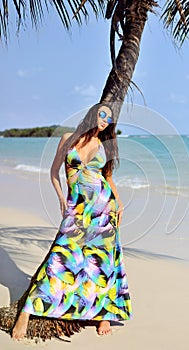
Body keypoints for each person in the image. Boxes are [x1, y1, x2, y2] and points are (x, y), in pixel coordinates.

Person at [12, 103, 132, 340]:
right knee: (60, 256)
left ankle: (102, 314)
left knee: (103, 262)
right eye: (102, 114)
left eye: (109, 118)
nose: (105, 120)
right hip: (76, 210)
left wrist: (119, 204)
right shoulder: (69, 138)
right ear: (92, 114)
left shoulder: (104, 145)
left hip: (103, 209)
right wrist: (61, 199)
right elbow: (54, 172)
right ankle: (26, 311)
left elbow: (107, 177)